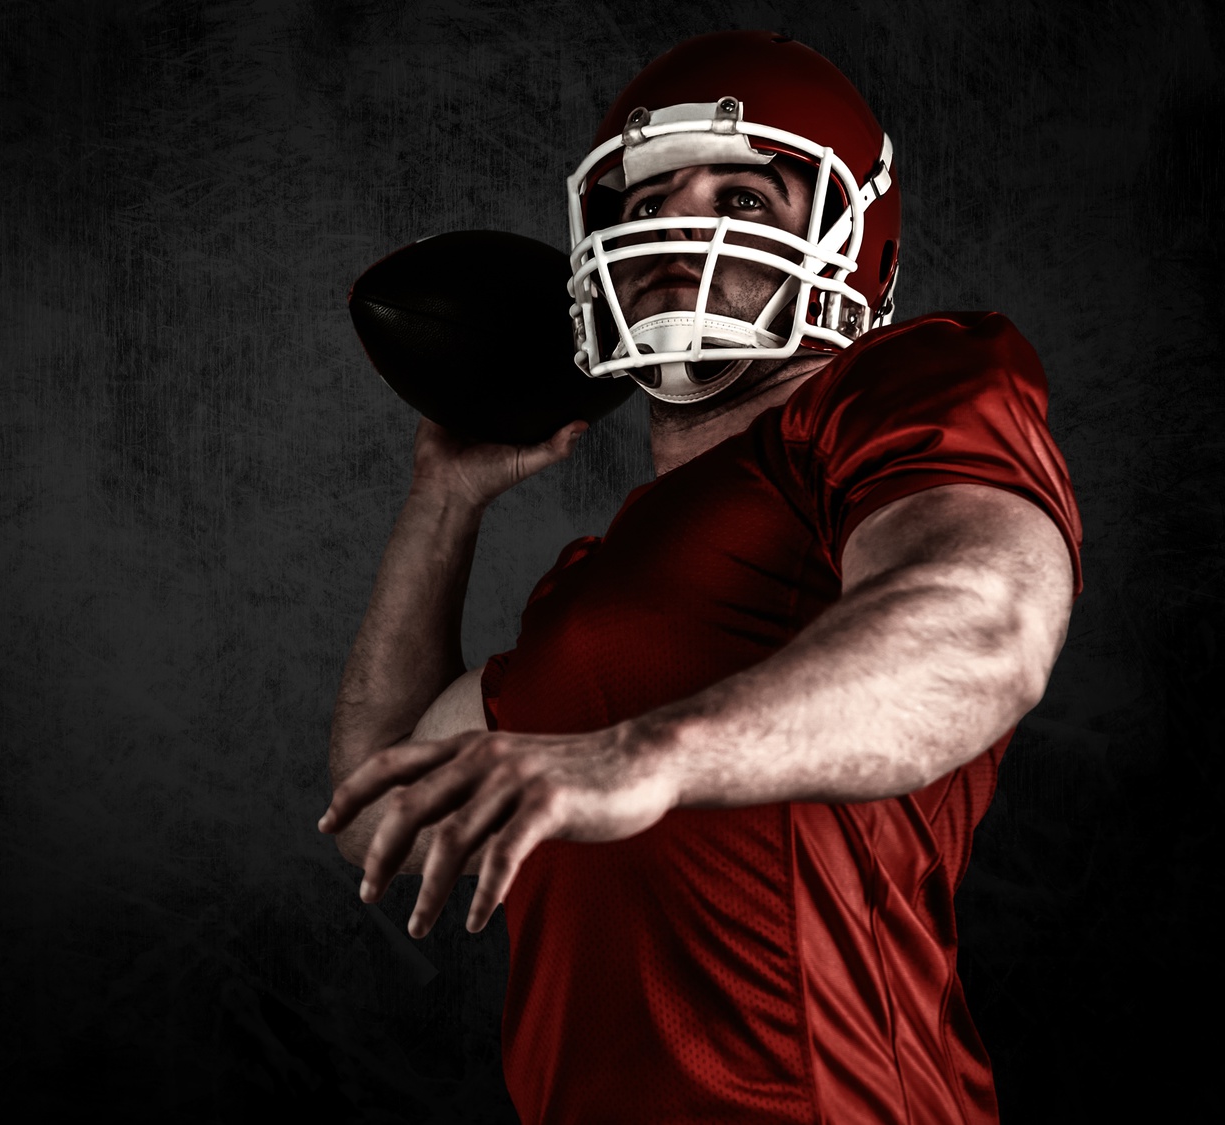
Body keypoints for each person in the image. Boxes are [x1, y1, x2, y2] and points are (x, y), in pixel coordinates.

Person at [319, 30, 1082, 1125]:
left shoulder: (895, 393)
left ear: (848, 242)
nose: (681, 226)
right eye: (648, 204)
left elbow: (983, 625)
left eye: (745, 198)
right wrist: (443, 500)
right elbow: (379, 810)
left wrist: (653, 753)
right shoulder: (590, 590)